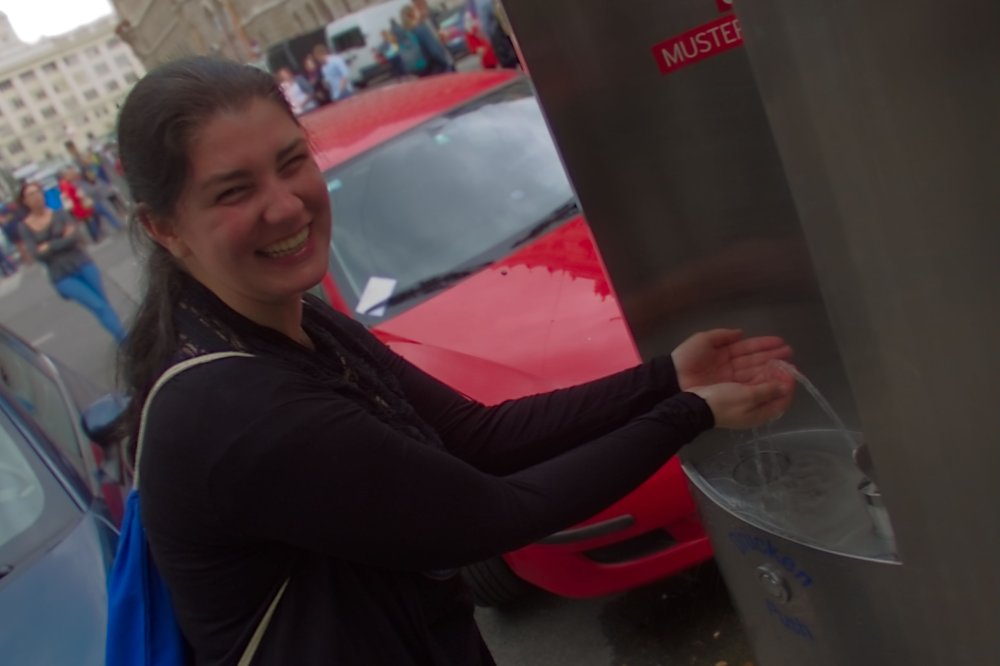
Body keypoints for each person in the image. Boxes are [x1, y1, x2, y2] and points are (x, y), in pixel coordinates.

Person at [114, 57, 794, 665]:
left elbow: (476, 435)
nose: (287, 205)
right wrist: (690, 413)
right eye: (234, 191)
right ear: (163, 227)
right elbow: (492, 516)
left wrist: (666, 377)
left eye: (291, 161)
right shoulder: (238, 410)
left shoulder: (287, 316)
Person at [18, 182, 126, 342]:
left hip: (83, 263)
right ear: (24, 201)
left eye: (37, 192)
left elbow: (74, 237)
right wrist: (61, 239)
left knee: (103, 303)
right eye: (30, 195)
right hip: (61, 275)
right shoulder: (25, 227)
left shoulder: (59, 214)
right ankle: (127, 340)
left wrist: (49, 246)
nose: (36, 197)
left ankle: (123, 337)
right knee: (97, 305)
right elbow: (37, 254)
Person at [401, 3, 456, 75]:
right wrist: (445, 63)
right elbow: (434, 51)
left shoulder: (406, 33)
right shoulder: (420, 29)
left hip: (423, 72)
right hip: (437, 68)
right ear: (412, 14)